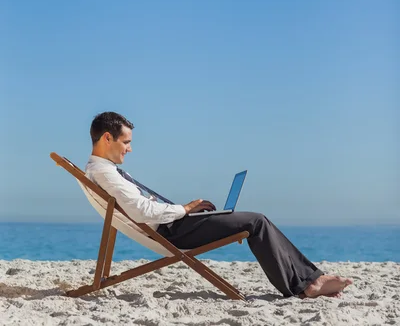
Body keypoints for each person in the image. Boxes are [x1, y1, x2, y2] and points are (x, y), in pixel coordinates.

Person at [86, 111, 352, 299]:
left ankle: (310, 278)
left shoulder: (104, 170)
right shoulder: (106, 173)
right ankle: (306, 285)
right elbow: (140, 211)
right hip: (172, 230)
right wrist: (184, 209)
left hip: (175, 224)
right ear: (107, 138)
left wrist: (192, 212)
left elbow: (138, 207)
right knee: (256, 221)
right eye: (126, 142)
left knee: (251, 220)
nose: (129, 149)